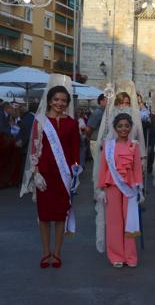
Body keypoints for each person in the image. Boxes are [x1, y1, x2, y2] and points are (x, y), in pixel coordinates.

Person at [20, 76, 80, 269]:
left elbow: (75, 150)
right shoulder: (40, 122)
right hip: (44, 175)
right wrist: (35, 172)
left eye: (63, 100)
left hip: (63, 177)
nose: (60, 103)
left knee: (60, 216)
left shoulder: (72, 123)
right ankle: (46, 252)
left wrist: (76, 172)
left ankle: (58, 253)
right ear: (50, 100)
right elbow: (34, 149)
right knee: (44, 217)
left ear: (67, 103)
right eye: (56, 100)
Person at [97, 112, 144, 268]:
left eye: (126, 126)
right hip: (112, 185)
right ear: (115, 128)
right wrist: (101, 188)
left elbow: (137, 168)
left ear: (130, 127)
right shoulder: (108, 146)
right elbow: (103, 168)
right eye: (120, 126)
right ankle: (116, 255)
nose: (123, 129)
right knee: (114, 222)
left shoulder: (134, 146)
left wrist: (140, 189)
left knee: (130, 222)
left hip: (130, 188)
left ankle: (130, 256)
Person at [85, 94, 107, 164]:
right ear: (101, 101)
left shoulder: (104, 112)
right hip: (96, 141)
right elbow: (88, 128)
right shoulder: (98, 112)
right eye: (107, 100)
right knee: (99, 164)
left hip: (100, 142)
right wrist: (90, 138)